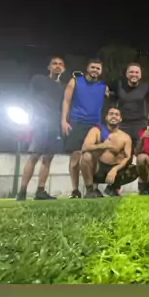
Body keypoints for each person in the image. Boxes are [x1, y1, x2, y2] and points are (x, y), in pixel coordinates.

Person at [16, 56, 66, 201]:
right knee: (34, 155)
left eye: (60, 64)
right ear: (49, 67)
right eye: (54, 64)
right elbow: (29, 98)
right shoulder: (39, 79)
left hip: (55, 124)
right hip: (40, 122)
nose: (57, 66)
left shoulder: (63, 87)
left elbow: (65, 105)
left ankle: (40, 191)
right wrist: (31, 118)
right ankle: (22, 191)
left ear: (63, 69)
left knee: (48, 158)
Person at [61, 59, 109, 198]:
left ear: (101, 71)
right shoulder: (75, 81)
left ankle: (93, 188)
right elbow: (66, 101)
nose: (95, 70)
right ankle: (75, 190)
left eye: (98, 68)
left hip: (95, 125)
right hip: (77, 122)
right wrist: (64, 120)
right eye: (93, 67)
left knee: (93, 157)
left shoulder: (103, 86)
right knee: (75, 157)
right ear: (87, 68)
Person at [80, 107, 135, 198]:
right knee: (86, 156)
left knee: (134, 169)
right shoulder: (97, 130)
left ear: (120, 119)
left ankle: (113, 188)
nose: (114, 116)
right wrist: (103, 145)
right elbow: (85, 147)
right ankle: (90, 190)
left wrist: (115, 169)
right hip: (98, 169)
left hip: (116, 171)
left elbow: (127, 157)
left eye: (117, 115)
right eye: (111, 114)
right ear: (106, 117)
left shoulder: (125, 137)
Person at [117, 63, 149, 149]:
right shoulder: (119, 86)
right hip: (123, 124)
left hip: (140, 124)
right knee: (121, 150)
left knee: (140, 150)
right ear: (126, 74)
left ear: (140, 75)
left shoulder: (147, 87)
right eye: (131, 72)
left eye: (136, 72)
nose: (134, 74)